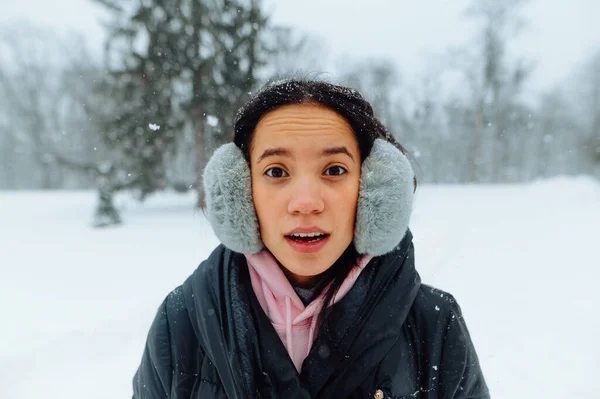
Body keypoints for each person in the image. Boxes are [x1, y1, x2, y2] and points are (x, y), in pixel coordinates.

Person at [132, 79, 490, 398]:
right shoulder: (180, 322)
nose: (305, 203)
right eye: (276, 171)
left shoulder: (434, 325)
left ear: (373, 188)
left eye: (334, 170)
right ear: (240, 191)